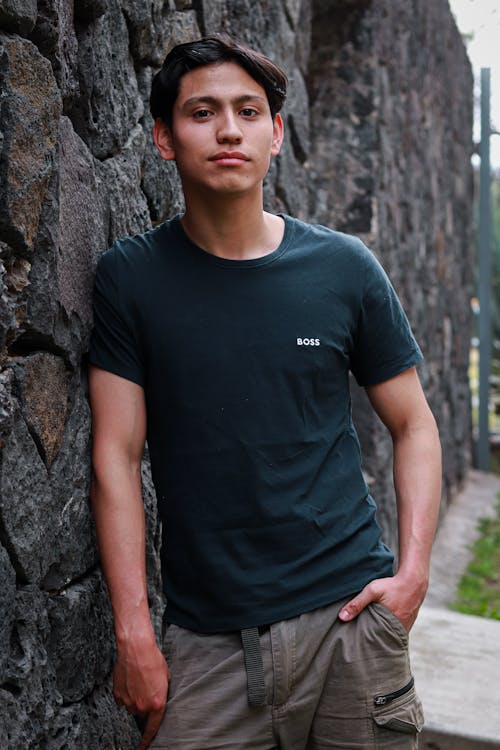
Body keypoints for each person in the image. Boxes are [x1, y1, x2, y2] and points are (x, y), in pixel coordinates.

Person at [88, 35, 441, 750]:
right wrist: (132, 631)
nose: (228, 130)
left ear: (275, 134)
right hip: (209, 644)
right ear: (163, 138)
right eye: (202, 112)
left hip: (351, 625)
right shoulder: (131, 280)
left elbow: (415, 426)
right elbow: (115, 458)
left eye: (249, 111)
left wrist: (412, 576)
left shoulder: (344, 269)